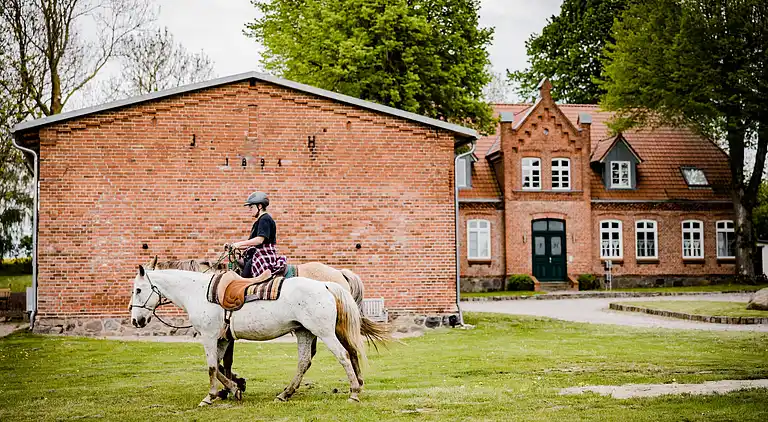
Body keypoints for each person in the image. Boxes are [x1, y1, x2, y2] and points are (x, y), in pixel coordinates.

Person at [226, 191, 287, 279]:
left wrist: (239, 244)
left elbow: (259, 240)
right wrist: (232, 247)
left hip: (263, 257)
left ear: (260, 206)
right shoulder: (258, 221)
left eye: (251, 207)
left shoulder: (265, 219)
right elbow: (250, 245)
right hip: (255, 255)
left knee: (243, 280)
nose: (249, 210)